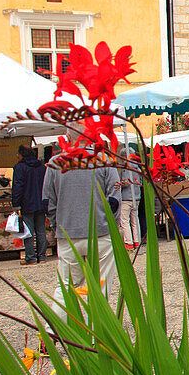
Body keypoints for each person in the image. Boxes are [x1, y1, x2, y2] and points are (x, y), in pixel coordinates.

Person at [43, 134, 120, 315]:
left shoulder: (55, 163)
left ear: (68, 137)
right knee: (101, 287)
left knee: (66, 287)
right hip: (101, 232)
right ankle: (97, 335)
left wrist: (57, 225)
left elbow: (48, 202)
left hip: (67, 232)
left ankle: (51, 332)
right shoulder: (105, 160)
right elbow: (114, 200)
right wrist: (111, 226)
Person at [12, 145, 48, 265]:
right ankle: (42, 257)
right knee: (41, 231)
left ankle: (31, 258)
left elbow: (18, 186)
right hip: (41, 202)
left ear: (22, 154)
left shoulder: (19, 167)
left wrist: (16, 203)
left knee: (28, 231)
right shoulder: (42, 167)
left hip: (27, 203)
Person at [117, 149, 142, 249]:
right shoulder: (138, 168)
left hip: (126, 198)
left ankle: (129, 242)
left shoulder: (125, 168)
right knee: (135, 220)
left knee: (124, 221)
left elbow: (125, 183)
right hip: (136, 197)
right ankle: (137, 241)